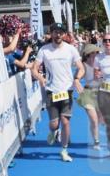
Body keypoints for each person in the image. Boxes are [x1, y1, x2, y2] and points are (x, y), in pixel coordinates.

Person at [32, 23, 85, 163]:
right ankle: (53, 131)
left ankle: (64, 150)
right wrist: (40, 78)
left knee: (65, 121)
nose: (58, 35)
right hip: (51, 91)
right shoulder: (44, 50)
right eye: (55, 32)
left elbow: (81, 67)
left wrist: (77, 79)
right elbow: (34, 68)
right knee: (54, 124)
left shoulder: (71, 49)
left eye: (60, 32)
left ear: (64, 34)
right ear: (51, 34)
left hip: (67, 90)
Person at [77, 43, 102, 149]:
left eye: (97, 52)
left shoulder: (101, 64)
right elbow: (78, 76)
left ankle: (95, 134)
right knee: (94, 119)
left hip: (101, 93)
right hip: (87, 94)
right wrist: (77, 81)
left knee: (100, 119)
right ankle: (96, 141)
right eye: (94, 53)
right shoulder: (83, 65)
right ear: (88, 54)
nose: (96, 54)